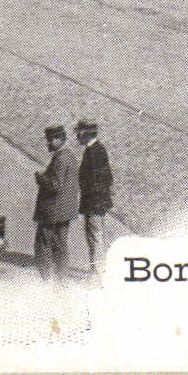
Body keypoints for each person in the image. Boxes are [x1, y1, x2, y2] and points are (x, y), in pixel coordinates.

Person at [34, 125, 79, 284]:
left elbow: (55, 185)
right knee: (61, 245)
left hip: (53, 211)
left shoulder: (60, 159)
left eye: (50, 140)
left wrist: (40, 178)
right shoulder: (71, 156)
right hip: (65, 210)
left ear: (59, 139)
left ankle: (45, 279)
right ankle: (62, 278)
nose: (48, 144)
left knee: (43, 244)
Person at [76, 119, 114, 278]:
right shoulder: (97, 149)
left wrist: (91, 201)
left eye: (79, 132)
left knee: (95, 237)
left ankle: (98, 274)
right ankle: (96, 271)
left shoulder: (93, 152)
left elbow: (97, 180)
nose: (77, 136)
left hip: (94, 203)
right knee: (95, 237)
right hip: (96, 202)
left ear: (86, 133)